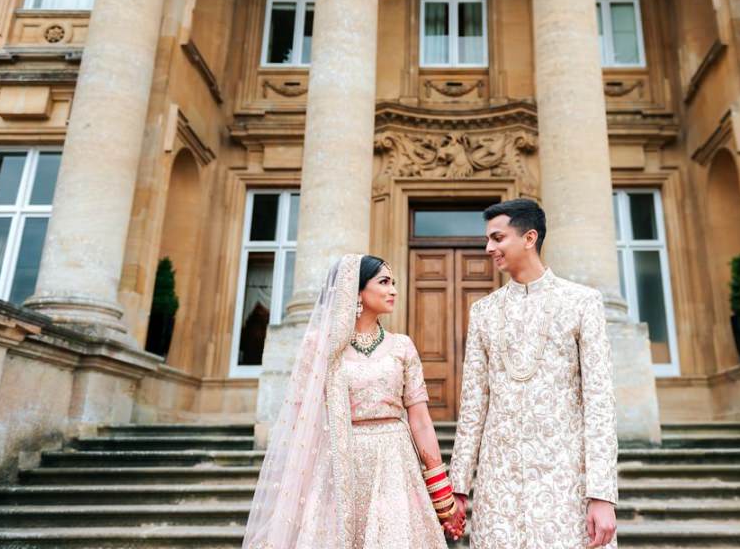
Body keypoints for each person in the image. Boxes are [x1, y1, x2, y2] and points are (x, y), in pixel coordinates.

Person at [242, 254, 452, 549]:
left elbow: (420, 420)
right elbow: (302, 418)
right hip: (337, 461)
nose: (393, 290)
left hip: (393, 461)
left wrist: (440, 489)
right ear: (356, 290)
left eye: (393, 283)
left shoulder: (401, 346)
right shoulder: (322, 346)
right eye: (384, 282)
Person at [445, 199, 619, 548]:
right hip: (499, 481)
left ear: (529, 238)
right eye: (488, 239)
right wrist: (459, 487)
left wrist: (602, 494)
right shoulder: (484, 311)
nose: (488, 248)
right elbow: (474, 404)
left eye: (497, 238)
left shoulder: (582, 302)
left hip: (564, 478)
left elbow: (600, 402)